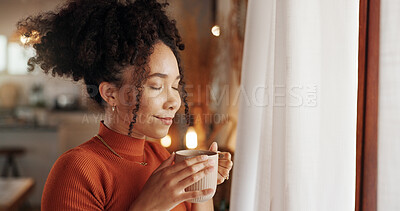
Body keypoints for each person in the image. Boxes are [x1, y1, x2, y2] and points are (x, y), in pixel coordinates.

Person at [17, 0, 233, 210]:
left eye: (175, 86)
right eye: (156, 86)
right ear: (111, 94)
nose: (174, 102)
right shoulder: (77, 171)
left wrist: (204, 183)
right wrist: (149, 206)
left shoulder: (164, 159)